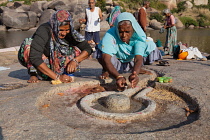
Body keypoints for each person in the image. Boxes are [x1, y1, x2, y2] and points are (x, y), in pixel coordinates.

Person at [18, 10, 92, 83]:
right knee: (28, 45)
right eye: (61, 30)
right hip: (42, 61)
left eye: (67, 30)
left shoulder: (70, 33)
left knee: (75, 50)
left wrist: (75, 60)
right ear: (55, 25)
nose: (64, 33)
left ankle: (63, 73)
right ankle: (33, 73)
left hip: (54, 63)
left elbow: (87, 49)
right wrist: (57, 77)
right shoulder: (44, 30)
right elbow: (35, 57)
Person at [96, 12, 153, 91]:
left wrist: (135, 74)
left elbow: (138, 58)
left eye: (127, 32)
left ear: (132, 30)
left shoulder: (138, 37)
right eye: (121, 32)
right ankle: (108, 70)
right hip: (116, 60)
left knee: (150, 46)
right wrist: (118, 77)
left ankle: (135, 69)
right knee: (100, 50)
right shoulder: (110, 34)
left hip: (129, 61)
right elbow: (106, 58)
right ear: (117, 29)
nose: (123, 35)